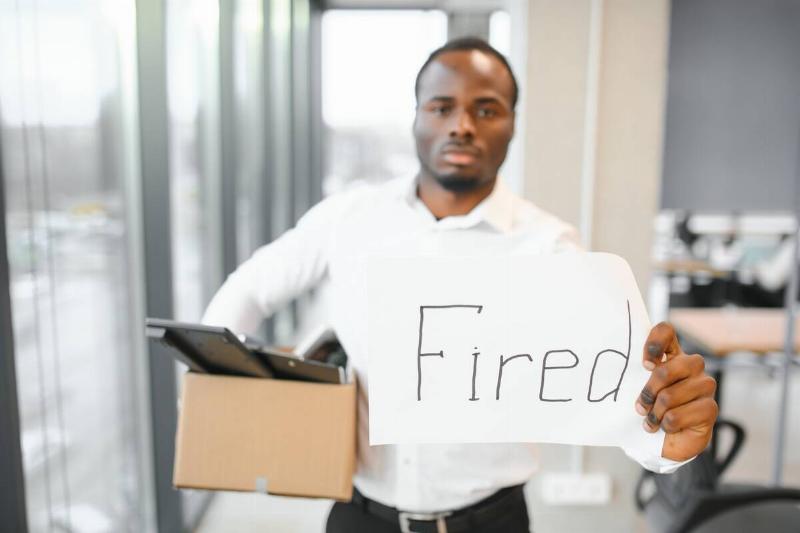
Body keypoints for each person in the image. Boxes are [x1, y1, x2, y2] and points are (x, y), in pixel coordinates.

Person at [202, 37, 718, 533]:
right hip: (360, 516)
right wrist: (223, 384)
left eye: (487, 109)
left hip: (490, 521)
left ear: (512, 125)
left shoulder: (550, 247)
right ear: (417, 117)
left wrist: (670, 445)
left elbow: (619, 389)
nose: (463, 125)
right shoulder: (351, 218)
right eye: (441, 107)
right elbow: (249, 289)